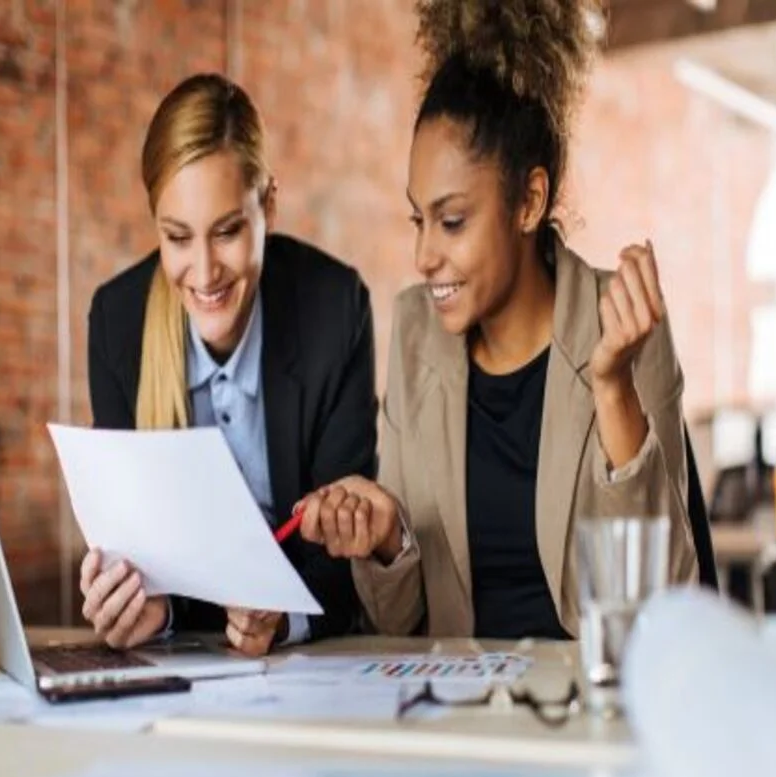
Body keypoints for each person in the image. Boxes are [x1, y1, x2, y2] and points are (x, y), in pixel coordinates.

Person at [298, 0, 698, 640]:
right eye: (418, 219)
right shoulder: (413, 333)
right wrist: (387, 542)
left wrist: (615, 386)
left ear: (529, 202)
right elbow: (393, 624)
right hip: (457, 712)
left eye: (452, 221)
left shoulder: (620, 326)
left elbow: (662, 606)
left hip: (584, 714)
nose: (425, 255)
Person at [80, 73, 377, 656]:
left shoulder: (334, 310)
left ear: (268, 204)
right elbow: (137, 557)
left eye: (228, 231)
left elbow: (346, 560)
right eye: (178, 237)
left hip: (311, 665)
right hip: (188, 669)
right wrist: (143, 610)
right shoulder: (118, 325)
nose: (205, 270)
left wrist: (282, 622)